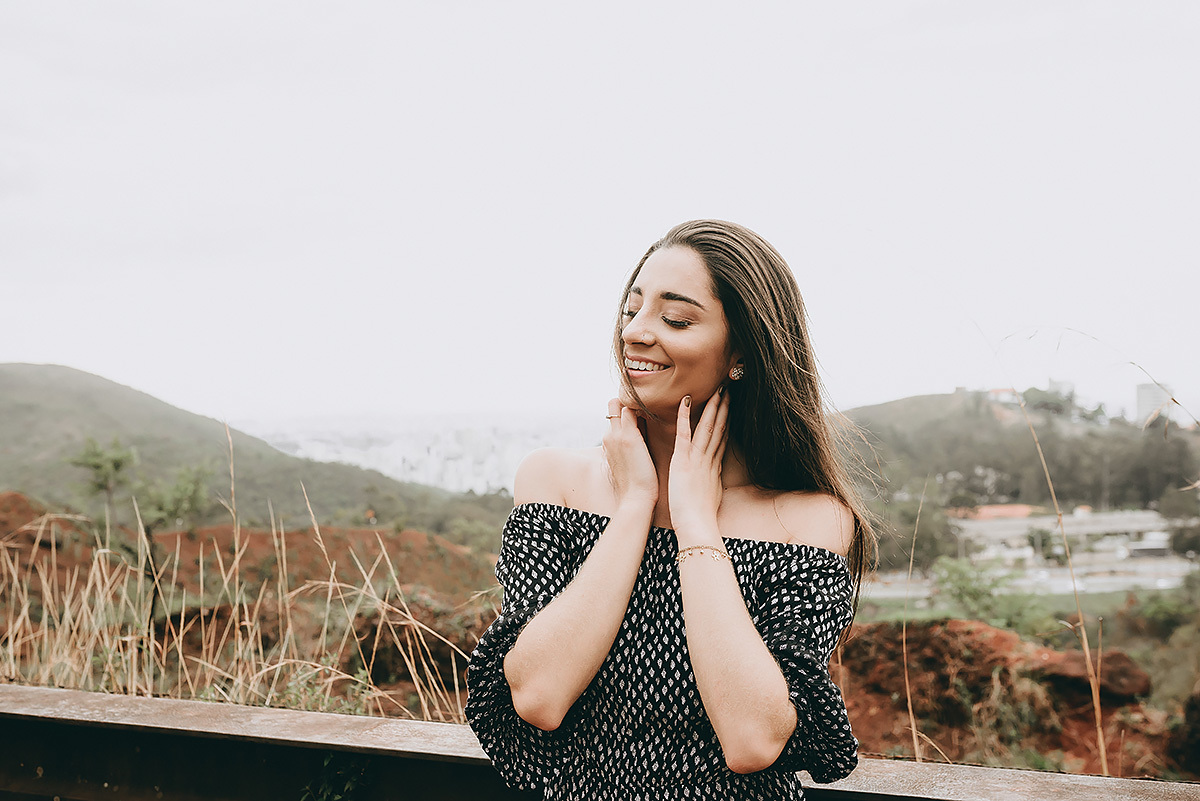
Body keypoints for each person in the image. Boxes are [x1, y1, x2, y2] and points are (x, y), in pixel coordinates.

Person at [466, 220, 875, 800]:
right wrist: (636, 505)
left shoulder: (809, 521)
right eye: (630, 310)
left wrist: (696, 526)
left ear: (742, 352)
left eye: (675, 319)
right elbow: (538, 696)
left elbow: (753, 739)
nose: (635, 332)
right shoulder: (553, 483)